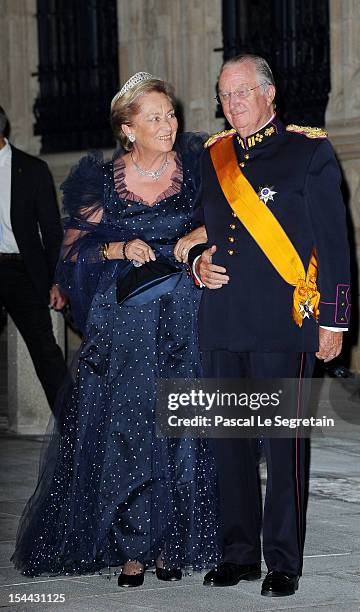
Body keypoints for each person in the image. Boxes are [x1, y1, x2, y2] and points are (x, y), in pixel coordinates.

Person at [12, 73, 219, 586]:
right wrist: (119, 249)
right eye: (155, 117)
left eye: (170, 114)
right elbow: (74, 254)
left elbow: (231, 219)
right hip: (126, 319)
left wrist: (196, 236)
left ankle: (172, 540)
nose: (168, 124)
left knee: (183, 423)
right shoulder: (99, 182)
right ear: (128, 129)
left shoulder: (197, 170)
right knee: (128, 425)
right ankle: (132, 542)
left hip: (186, 316)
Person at [189, 54, 351, 597]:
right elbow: (194, 231)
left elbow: (334, 242)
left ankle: (283, 559)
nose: (232, 105)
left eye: (242, 93)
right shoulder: (212, 155)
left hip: (286, 324)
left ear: (269, 93)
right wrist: (195, 263)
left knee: (284, 445)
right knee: (228, 442)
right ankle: (238, 554)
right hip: (223, 318)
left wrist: (336, 319)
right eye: (225, 95)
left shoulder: (308, 150)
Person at [0, 105, 67, 410]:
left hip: (22, 271)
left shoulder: (32, 170)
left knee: (45, 352)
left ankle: (75, 428)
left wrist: (57, 280)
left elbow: (52, 231)